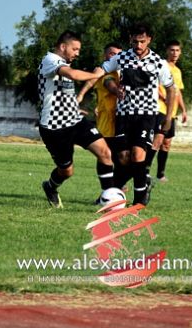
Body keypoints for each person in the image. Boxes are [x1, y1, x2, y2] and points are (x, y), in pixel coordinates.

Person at [92, 23, 176, 206]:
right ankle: (119, 190)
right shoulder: (121, 57)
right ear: (130, 39)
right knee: (123, 158)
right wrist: (86, 77)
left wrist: (168, 118)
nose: (138, 46)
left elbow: (171, 90)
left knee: (138, 154)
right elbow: (102, 69)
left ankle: (139, 200)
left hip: (146, 115)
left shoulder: (158, 62)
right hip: (124, 115)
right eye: (135, 41)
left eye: (142, 41)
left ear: (149, 40)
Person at [37, 30, 114, 208]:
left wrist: (74, 107)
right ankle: (50, 186)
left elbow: (62, 92)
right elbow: (73, 75)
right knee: (66, 171)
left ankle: (108, 199)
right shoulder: (50, 60)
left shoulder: (64, 62)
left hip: (75, 121)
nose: (77, 53)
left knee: (105, 153)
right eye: (75, 49)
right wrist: (96, 75)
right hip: (54, 127)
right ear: (63, 47)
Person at [76, 43, 132, 195]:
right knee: (106, 156)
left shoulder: (124, 72)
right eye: (112, 54)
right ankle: (108, 190)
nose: (116, 57)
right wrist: (81, 95)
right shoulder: (101, 71)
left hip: (123, 121)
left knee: (124, 156)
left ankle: (117, 186)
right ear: (105, 55)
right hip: (107, 121)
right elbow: (103, 84)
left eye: (119, 54)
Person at [146, 40, 188, 182]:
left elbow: (178, 92)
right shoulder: (162, 65)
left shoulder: (177, 71)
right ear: (167, 51)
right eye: (172, 50)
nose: (174, 53)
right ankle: (144, 170)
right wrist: (165, 98)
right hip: (161, 109)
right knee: (157, 141)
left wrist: (184, 110)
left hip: (172, 112)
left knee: (167, 143)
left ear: (180, 52)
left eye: (177, 50)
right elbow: (155, 85)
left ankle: (160, 174)